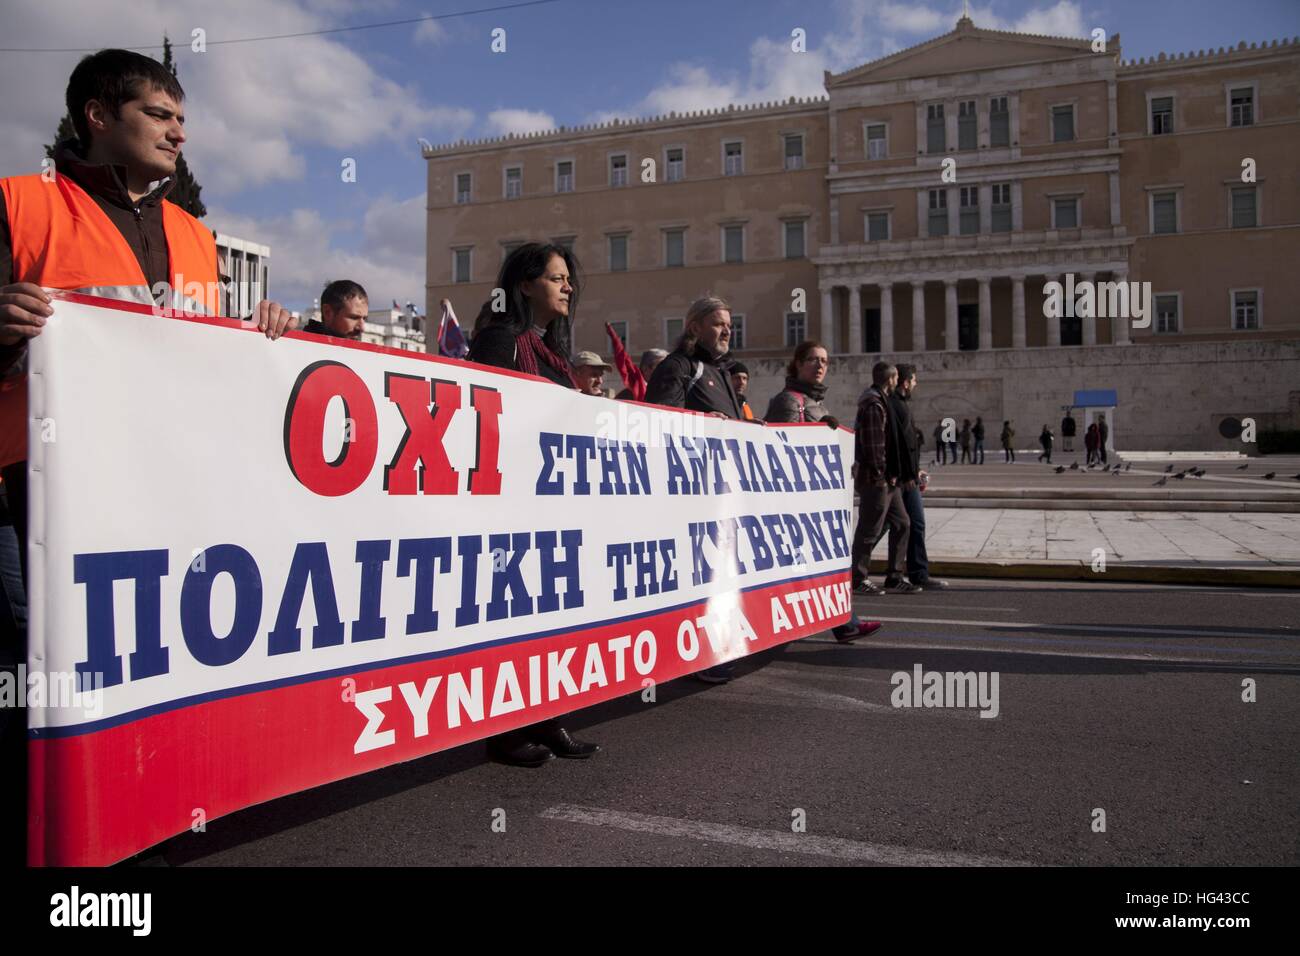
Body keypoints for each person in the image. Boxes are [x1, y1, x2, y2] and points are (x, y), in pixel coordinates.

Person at [0, 47, 298, 867]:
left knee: (138, 665)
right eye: (159, 115)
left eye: (181, 117)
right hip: (32, 490)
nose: (180, 131)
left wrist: (260, 331)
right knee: (41, 668)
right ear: (99, 116)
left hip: (156, 492)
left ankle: (129, 826)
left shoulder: (193, 236)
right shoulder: (18, 206)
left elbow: (197, 357)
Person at [467, 242, 600, 767]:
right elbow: (494, 416)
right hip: (516, 509)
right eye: (556, 278)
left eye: (569, 279)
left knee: (554, 623)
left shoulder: (550, 350)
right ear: (525, 285)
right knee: (516, 625)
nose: (568, 287)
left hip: (553, 507)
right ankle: (504, 733)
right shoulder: (500, 339)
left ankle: (549, 719)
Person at [645, 295, 749, 681]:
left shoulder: (720, 371)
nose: (727, 329)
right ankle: (699, 657)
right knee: (699, 580)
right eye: (719, 323)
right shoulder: (678, 367)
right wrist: (702, 420)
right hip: (690, 497)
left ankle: (718, 646)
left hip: (722, 495)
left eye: (729, 323)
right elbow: (657, 421)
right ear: (694, 328)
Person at [766, 341, 884, 642]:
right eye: (812, 360)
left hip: (814, 503)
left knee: (822, 566)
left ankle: (845, 623)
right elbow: (782, 451)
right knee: (796, 569)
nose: (820, 366)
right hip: (795, 504)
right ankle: (842, 624)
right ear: (797, 364)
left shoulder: (816, 403)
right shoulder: (789, 401)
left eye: (824, 361)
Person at [850, 361, 919, 595]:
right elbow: (874, 446)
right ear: (890, 380)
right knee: (869, 529)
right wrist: (883, 475)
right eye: (895, 377)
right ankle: (857, 577)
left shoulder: (882, 401)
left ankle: (894, 576)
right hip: (877, 480)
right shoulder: (874, 404)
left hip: (890, 479)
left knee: (902, 523)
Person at [890, 365, 947, 591]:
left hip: (909, 476)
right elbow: (899, 444)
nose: (916, 384)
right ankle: (856, 572)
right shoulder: (897, 406)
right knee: (884, 526)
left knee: (907, 524)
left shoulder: (902, 405)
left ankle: (917, 573)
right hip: (904, 478)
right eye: (914, 380)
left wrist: (916, 471)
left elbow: (909, 445)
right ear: (905, 382)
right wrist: (908, 474)